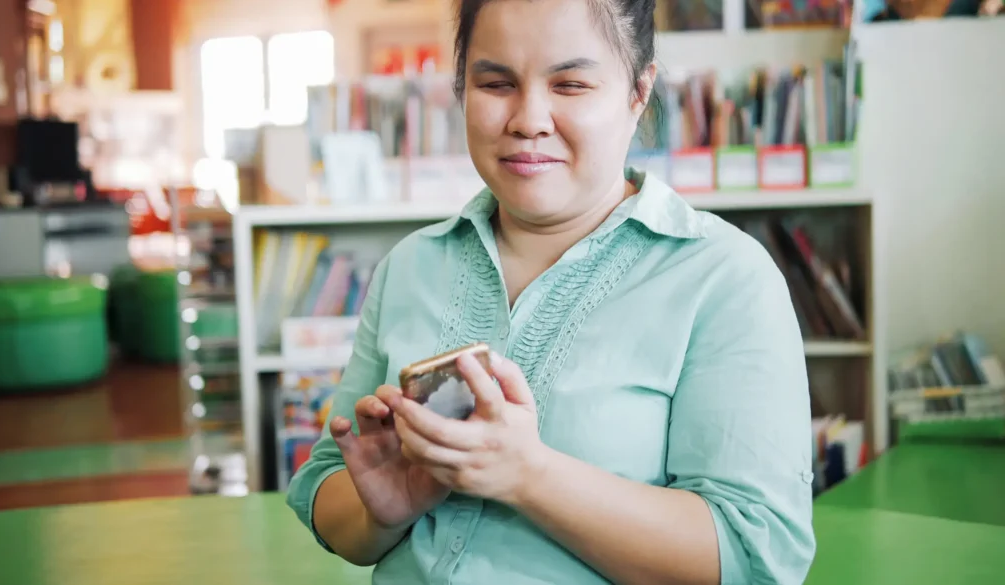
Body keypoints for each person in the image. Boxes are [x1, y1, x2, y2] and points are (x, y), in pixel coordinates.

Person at [287, 0, 816, 583]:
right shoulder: (410, 266)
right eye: (496, 82)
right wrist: (385, 513)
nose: (528, 119)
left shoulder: (725, 276)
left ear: (638, 92)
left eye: (570, 84)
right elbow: (327, 484)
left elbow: (753, 555)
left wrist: (528, 474)